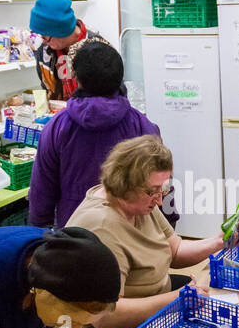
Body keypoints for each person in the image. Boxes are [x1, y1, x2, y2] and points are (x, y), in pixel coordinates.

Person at [66, 135, 239, 328]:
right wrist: (177, 300)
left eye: (162, 189)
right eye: (153, 191)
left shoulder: (140, 203)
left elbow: (174, 250)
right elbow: (105, 317)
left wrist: (219, 241)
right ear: (124, 184)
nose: (160, 198)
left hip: (156, 315)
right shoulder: (101, 226)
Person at [28, 41, 162, 228]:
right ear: (120, 77)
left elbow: (41, 192)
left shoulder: (56, 127)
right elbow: (160, 185)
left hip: (76, 234)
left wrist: (39, 238)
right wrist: (167, 229)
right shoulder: (142, 125)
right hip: (131, 233)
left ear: (77, 78)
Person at [29, 0, 108, 101]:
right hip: (61, 115)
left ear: (60, 31)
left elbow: (110, 100)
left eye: (44, 36)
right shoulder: (44, 51)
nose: (42, 41)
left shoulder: (99, 50)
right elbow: (46, 91)